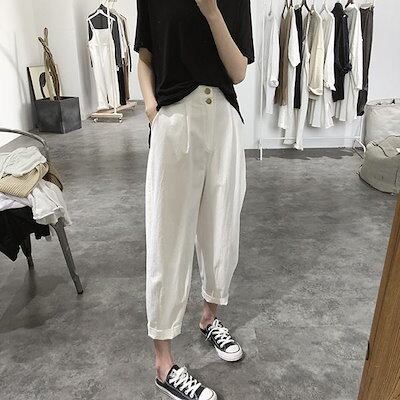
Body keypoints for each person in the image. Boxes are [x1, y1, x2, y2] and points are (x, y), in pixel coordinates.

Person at [134, 0, 254, 398]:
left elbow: (238, 71)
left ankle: (209, 318)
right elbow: (145, 59)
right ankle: (164, 363)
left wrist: (212, 12)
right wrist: (152, 109)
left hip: (223, 120)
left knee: (221, 229)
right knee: (167, 239)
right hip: (174, 120)